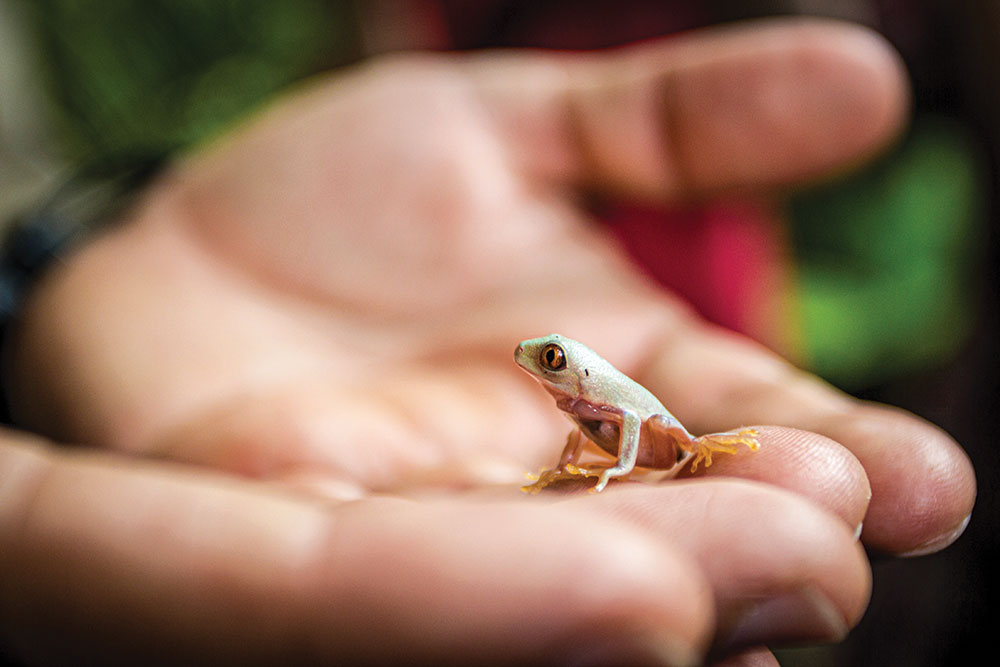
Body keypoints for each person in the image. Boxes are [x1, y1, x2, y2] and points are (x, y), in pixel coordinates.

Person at [0, 18, 975, 666]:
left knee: (758, 493)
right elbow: (593, 432)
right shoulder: (573, 397)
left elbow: (628, 434)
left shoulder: (597, 390)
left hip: (673, 436)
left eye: (550, 362)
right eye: (545, 361)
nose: (541, 370)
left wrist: (613, 466)